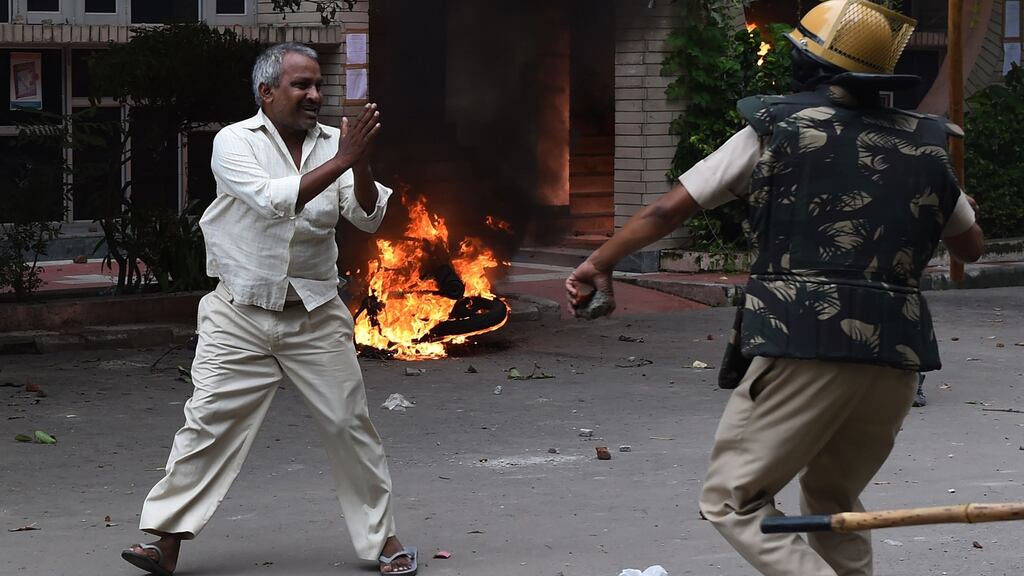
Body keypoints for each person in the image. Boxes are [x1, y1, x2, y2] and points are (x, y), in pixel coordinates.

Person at [566, 2, 984, 574]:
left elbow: (668, 210)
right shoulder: (926, 144)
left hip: (805, 337)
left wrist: (598, 263)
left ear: (809, 64)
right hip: (898, 352)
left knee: (732, 502)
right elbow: (971, 247)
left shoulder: (777, 128)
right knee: (835, 502)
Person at [121, 43, 417, 576]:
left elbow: (368, 216)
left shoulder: (336, 143)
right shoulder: (233, 142)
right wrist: (346, 161)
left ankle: (385, 542)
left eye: (318, 85)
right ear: (267, 92)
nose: (315, 95)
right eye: (301, 85)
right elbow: (273, 200)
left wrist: (361, 162)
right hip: (238, 312)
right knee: (208, 424)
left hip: (315, 312)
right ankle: (163, 541)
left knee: (351, 425)